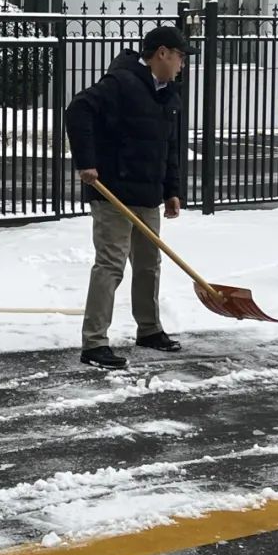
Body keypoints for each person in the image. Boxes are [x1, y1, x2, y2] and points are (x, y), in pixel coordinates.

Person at [64, 25, 198, 369]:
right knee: (111, 265)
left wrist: (172, 190)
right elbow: (78, 110)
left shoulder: (169, 95)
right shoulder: (121, 82)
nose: (182, 64)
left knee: (149, 264)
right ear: (162, 53)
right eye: (180, 57)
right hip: (113, 192)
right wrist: (86, 162)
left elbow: (168, 147)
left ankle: (149, 330)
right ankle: (94, 343)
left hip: (148, 193)